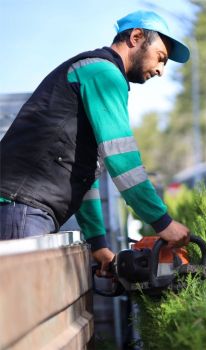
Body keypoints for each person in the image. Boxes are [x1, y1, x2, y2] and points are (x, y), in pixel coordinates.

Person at [0, 10, 191, 275]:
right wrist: (163, 222)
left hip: (27, 208)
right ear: (136, 37)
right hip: (22, 207)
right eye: (160, 58)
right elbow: (123, 159)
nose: (160, 70)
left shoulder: (96, 74)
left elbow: (82, 172)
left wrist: (98, 243)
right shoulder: (103, 72)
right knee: (16, 312)